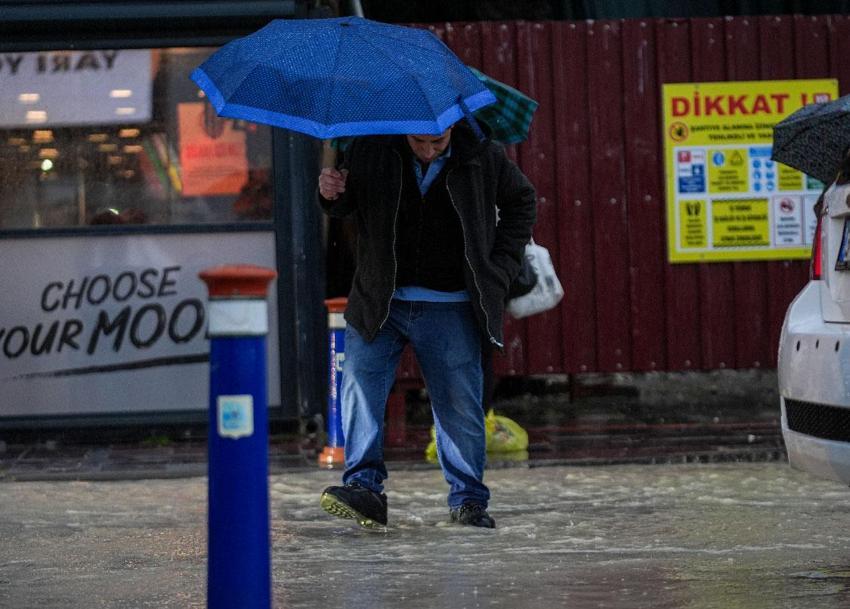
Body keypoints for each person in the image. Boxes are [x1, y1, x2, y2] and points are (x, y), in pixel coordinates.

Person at [317, 119, 536, 529]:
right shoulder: (370, 148)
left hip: (452, 303)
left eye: (438, 141)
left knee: (458, 404)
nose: (428, 150)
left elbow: (522, 201)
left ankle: (468, 500)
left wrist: (501, 266)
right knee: (360, 388)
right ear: (404, 129)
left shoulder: (482, 154)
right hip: (380, 298)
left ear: (453, 126)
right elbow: (348, 206)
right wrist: (331, 192)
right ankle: (364, 488)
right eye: (419, 141)